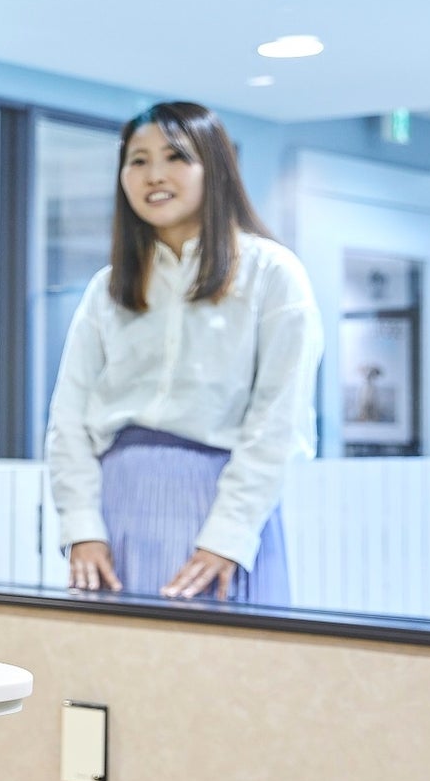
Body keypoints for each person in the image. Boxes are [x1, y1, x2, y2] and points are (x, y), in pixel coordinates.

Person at [46, 101, 322, 603]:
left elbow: (279, 421)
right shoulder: (107, 288)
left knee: (231, 673)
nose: (155, 174)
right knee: (113, 674)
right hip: (116, 510)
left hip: (222, 504)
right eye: (138, 159)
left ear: (213, 168)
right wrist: (82, 526)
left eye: (175, 156)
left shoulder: (273, 273)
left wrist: (228, 536)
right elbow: (68, 418)